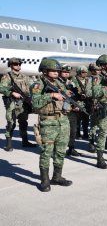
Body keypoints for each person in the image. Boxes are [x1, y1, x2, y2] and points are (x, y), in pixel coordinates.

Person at [31, 58, 72, 192]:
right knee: (46, 152)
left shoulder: (60, 83)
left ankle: (57, 177)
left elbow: (64, 98)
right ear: (44, 70)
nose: (56, 72)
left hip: (63, 120)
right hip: (48, 122)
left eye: (57, 70)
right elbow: (35, 103)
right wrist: (51, 95)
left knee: (60, 151)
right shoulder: (38, 85)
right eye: (53, 70)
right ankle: (44, 180)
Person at [0, 57, 36, 151]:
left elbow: (31, 89)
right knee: (11, 123)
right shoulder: (7, 76)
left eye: (19, 64)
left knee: (23, 122)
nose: (18, 66)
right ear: (11, 65)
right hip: (12, 103)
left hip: (23, 103)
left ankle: (25, 141)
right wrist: (12, 93)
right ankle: (8, 144)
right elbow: (1, 88)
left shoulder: (25, 77)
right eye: (16, 64)